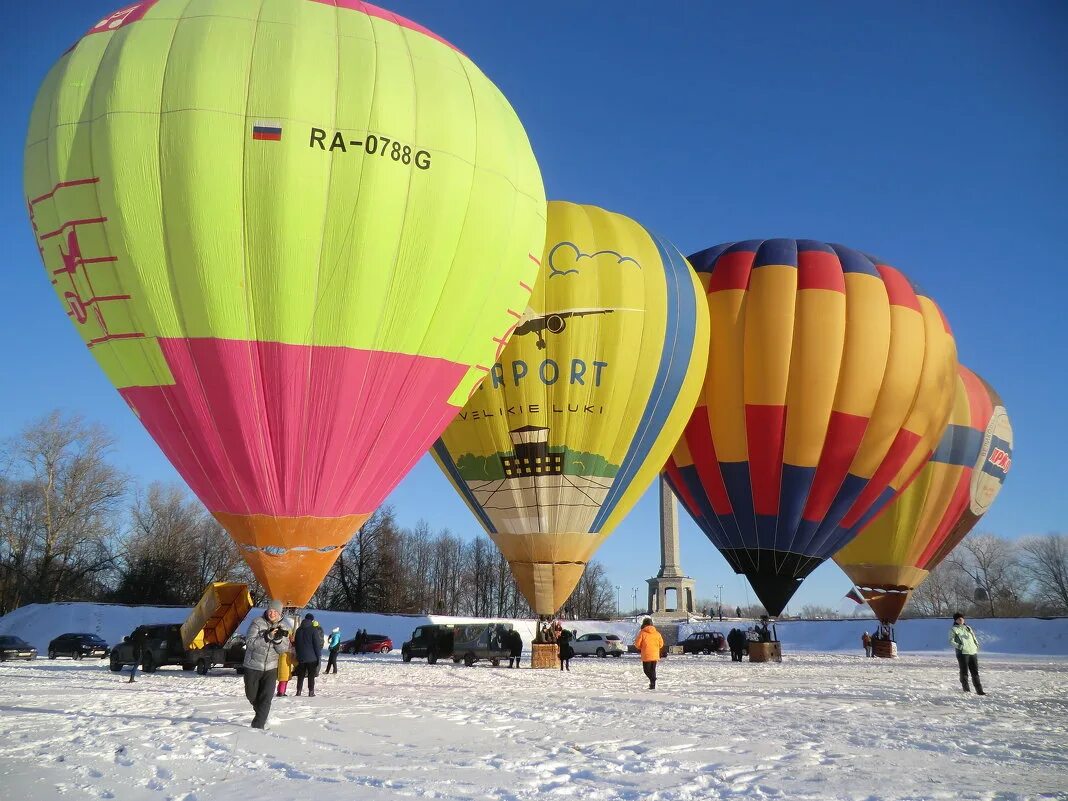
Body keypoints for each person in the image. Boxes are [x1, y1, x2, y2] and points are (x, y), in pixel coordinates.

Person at [243, 599, 291, 728]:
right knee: (252, 696)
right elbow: (250, 643)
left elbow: (283, 650)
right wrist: (267, 637)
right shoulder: (257, 622)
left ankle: (258, 727)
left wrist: (278, 640)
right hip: (253, 666)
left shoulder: (284, 627)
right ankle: (260, 713)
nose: (272, 614)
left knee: (266, 698)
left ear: (280, 613)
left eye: (275, 611)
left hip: (271, 668)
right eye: (270, 610)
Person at [949, 612, 985, 695]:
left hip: (972, 652)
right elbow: (951, 641)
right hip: (962, 653)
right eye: (958, 619)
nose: (961, 620)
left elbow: (973, 637)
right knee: (964, 672)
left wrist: (976, 645)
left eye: (962, 618)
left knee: (975, 672)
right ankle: (966, 690)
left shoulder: (968, 628)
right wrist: (960, 647)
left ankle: (979, 691)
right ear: (955, 620)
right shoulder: (953, 629)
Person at [295, 613, 326, 697]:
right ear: (312, 620)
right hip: (312, 657)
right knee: (311, 675)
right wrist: (318, 656)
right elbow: (316, 644)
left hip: (301, 656)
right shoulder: (313, 629)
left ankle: (298, 691)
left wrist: (298, 654)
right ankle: (311, 692)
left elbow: (296, 644)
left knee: (300, 675)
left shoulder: (298, 630)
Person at [633, 618, 664, 690]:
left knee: (646, 670)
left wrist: (641, 647)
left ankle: (653, 679)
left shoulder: (642, 633)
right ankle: (652, 685)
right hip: (655, 654)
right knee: (653, 670)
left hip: (646, 654)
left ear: (644, 624)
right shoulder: (657, 633)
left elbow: (637, 644)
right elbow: (661, 644)